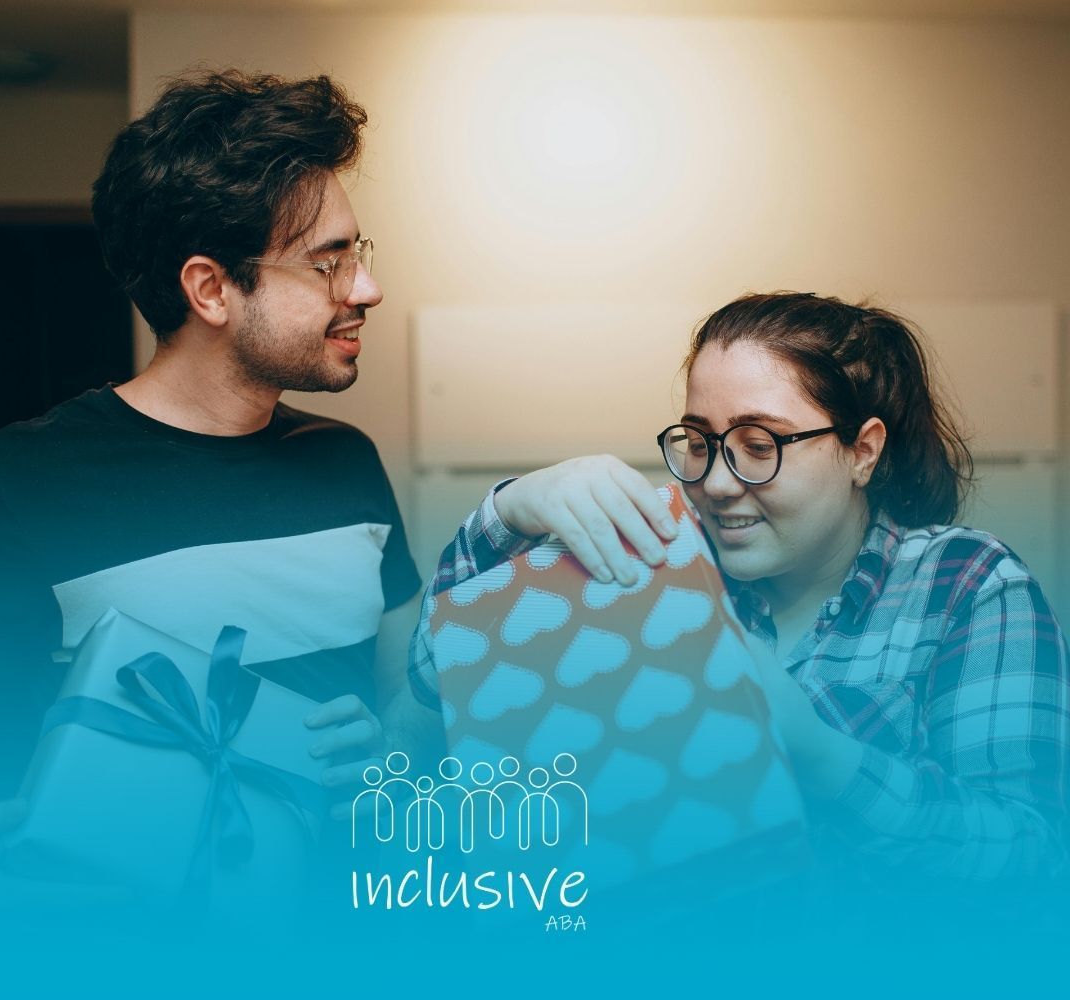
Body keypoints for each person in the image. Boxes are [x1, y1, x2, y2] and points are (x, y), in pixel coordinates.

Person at [0, 70, 425, 907]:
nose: (365, 288)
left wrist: (385, 750)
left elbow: (409, 702)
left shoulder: (347, 462)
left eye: (359, 252)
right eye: (328, 263)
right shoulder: (23, 483)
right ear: (209, 289)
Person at [412, 291, 1069, 880]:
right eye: (699, 441)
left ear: (862, 451)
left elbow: (1032, 863)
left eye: (760, 444)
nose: (718, 484)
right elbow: (436, 679)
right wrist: (510, 511)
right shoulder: (659, 558)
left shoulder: (965, 585)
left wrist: (820, 754)